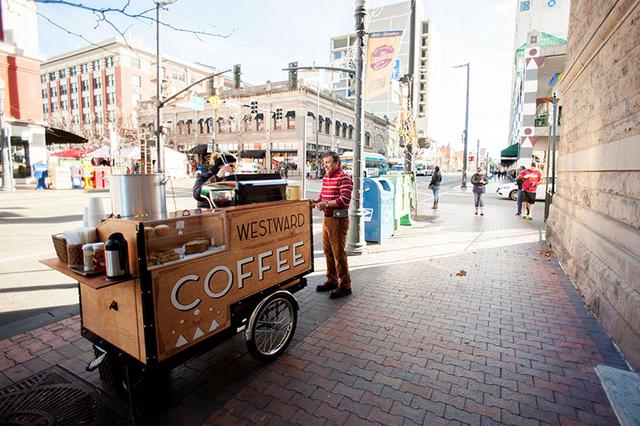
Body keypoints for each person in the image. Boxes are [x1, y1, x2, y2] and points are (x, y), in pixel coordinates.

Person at [313, 151, 353, 299]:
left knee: (338, 254)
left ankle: (345, 285)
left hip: (338, 221)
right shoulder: (325, 177)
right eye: (324, 163)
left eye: (328, 162)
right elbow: (323, 195)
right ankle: (332, 280)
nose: (325, 165)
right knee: (328, 251)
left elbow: (344, 201)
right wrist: (317, 201)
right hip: (327, 219)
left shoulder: (344, 178)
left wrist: (326, 203)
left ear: (337, 163)